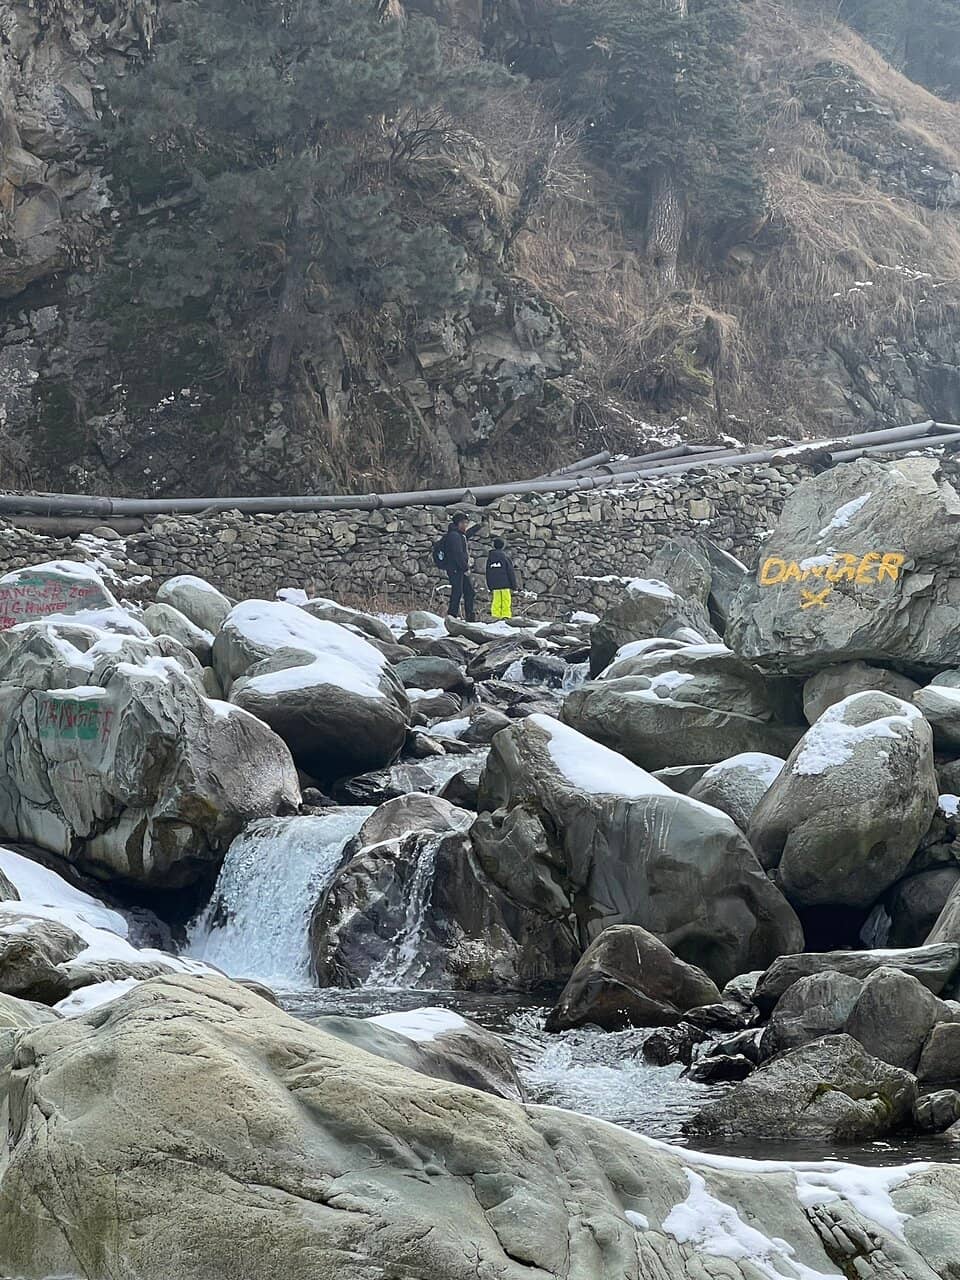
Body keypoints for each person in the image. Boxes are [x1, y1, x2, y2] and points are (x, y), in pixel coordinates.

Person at [439, 512, 478, 622]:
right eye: (464, 523)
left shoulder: (458, 534)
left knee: (469, 592)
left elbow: (467, 535)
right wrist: (465, 568)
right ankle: (452, 617)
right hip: (456, 569)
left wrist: (479, 526)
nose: (466, 525)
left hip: (458, 568)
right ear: (459, 523)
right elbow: (457, 554)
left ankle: (469, 617)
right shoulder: (455, 536)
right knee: (458, 592)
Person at [485, 537, 518, 619]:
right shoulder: (505, 558)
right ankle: (506, 615)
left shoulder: (490, 559)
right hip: (505, 584)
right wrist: (514, 585)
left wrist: (489, 585)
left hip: (495, 585)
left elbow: (488, 572)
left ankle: (495, 615)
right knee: (506, 600)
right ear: (503, 546)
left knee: (496, 600)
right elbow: (510, 572)